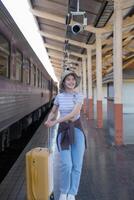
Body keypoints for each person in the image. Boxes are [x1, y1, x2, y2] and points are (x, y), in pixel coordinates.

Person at [44, 70, 86, 200]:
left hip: (77, 130)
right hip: (63, 131)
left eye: (73, 79)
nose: (71, 82)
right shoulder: (59, 97)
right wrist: (49, 118)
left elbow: (74, 114)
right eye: (68, 79)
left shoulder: (79, 96)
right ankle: (64, 191)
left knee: (77, 164)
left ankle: (72, 193)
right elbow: (53, 111)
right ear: (63, 82)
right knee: (66, 164)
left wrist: (55, 121)